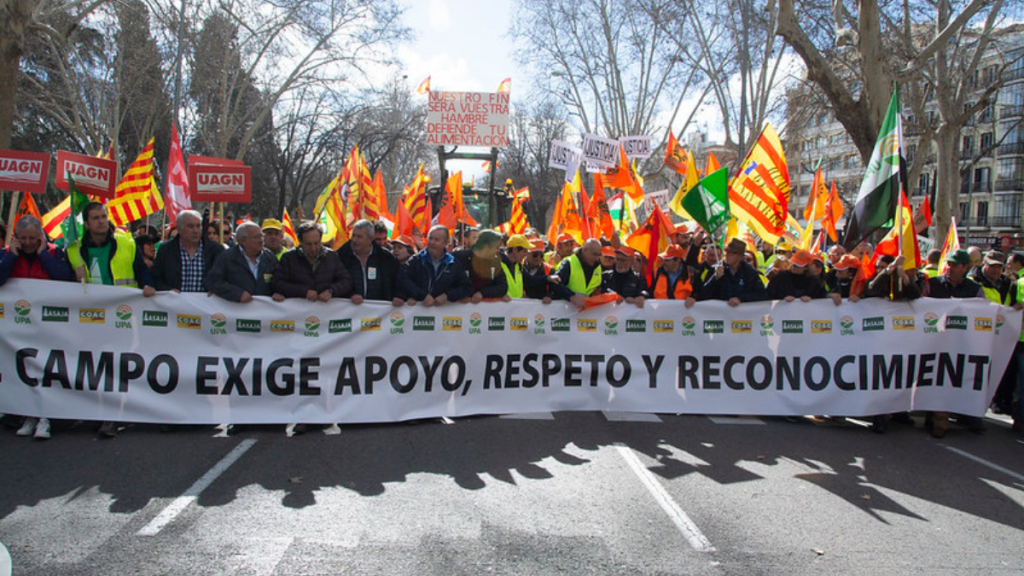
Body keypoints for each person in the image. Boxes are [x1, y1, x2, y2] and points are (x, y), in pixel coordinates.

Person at [66, 203, 155, 438]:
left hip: (121, 316)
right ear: (86, 223)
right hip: (89, 318)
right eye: (95, 218)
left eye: (104, 217)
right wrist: (72, 276)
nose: (101, 221)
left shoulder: (126, 242)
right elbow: (63, 283)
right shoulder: (74, 250)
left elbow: (140, 271)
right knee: (93, 364)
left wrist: (147, 284)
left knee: (116, 365)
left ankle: (112, 416)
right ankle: (96, 411)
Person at [1, 216, 74, 440]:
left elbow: (64, 277)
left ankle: (45, 416)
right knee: (23, 370)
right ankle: (27, 414)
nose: (28, 243)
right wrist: (12, 257)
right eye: (23, 238)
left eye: (33, 238)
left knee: (45, 370)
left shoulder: (54, 252)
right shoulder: (6, 253)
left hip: (48, 324)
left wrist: (43, 254)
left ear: (40, 236)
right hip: (18, 326)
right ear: (16, 238)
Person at [925, 249, 984, 438]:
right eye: (948, 264)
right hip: (935, 341)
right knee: (934, 377)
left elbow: (982, 313)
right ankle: (935, 418)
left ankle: (963, 415)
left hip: (962, 343)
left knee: (957, 377)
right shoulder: (933, 284)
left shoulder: (975, 289)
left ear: (966, 267)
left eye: (955, 265)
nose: (950, 268)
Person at [271, 220, 352, 303]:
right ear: (301, 242)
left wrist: (331, 291)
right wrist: (303, 292)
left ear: (321, 239)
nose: (313, 248)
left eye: (316, 243)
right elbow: (277, 283)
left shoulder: (331, 257)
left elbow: (346, 281)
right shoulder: (289, 258)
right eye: (308, 244)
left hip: (325, 311)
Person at [150, 210, 226, 293]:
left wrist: (216, 288)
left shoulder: (216, 250)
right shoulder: (166, 249)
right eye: (190, 226)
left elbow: (226, 276)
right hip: (175, 303)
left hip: (205, 304)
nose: (196, 230)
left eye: (198, 226)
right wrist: (168, 290)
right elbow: (156, 278)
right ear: (179, 228)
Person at [398, 225, 472, 305]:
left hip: (443, 313)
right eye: (430, 238)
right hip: (419, 312)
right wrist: (422, 296)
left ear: (445, 243)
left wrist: (447, 296)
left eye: (436, 240)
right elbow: (403, 281)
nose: (432, 242)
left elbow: (466, 287)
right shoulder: (416, 260)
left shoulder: (453, 263)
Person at [206, 221, 279, 303]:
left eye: (262, 236)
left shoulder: (270, 258)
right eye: (257, 237)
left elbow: (279, 281)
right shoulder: (227, 257)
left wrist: (279, 292)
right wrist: (237, 293)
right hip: (235, 311)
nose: (261, 240)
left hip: (264, 312)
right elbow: (213, 281)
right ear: (243, 241)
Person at [337, 219, 401, 305]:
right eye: (353, 235)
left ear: (371, 239)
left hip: (379, 314)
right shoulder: (341, 257)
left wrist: (399, 295)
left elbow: (399, 281)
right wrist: (350, 295)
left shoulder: (387, 258)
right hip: (350, 311)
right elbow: (336, 282)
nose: (355, 240)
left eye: (359, 237)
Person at [703, 239, 767, 306]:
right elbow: (704, 294)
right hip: (720, 313)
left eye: (732, 253)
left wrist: (741, 298)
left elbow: (761, 294)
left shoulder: (749, 272)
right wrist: (715, 278)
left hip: (741, 314)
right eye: (727, 251)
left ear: (740, 256)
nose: (727, 255)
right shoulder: (716, 268)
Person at [454, 229, 509, 302]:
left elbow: (502, 287)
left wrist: (482, 293)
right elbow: (447, 283)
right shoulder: (460, 258)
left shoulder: (495, 263)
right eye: (496, 247)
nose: (498, 251)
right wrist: (460, 295)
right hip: (455, 310)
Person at [551, 238, 604, 308]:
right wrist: (571, 297)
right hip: (567, 311)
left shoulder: (598, 266)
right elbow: (555, 283)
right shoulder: (569, 263)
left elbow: (601, 286)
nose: (597, 258)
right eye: (594, 254)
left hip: (589, 313)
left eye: (599, 255)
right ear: (584, 250)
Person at [501, 234, 532, 298]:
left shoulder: (519, 266)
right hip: (501, 306)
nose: (526, 254)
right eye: (524, 251)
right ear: (515, 250)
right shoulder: (497, 264)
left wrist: (547, 279)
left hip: (516, 306)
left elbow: (531, 280)